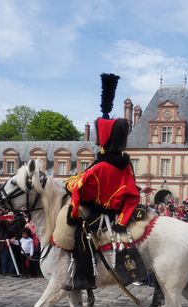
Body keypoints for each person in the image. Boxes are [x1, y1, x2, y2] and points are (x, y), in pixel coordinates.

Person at [62, 73, 140, 291]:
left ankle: (83, 279)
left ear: (103, 144)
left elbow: (77, 185)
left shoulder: (100, 167)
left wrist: (68, 186)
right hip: (117, 213)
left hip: (100, 213)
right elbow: (134, 194)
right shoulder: (125, 166)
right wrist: (123, 219)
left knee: (81, 235)